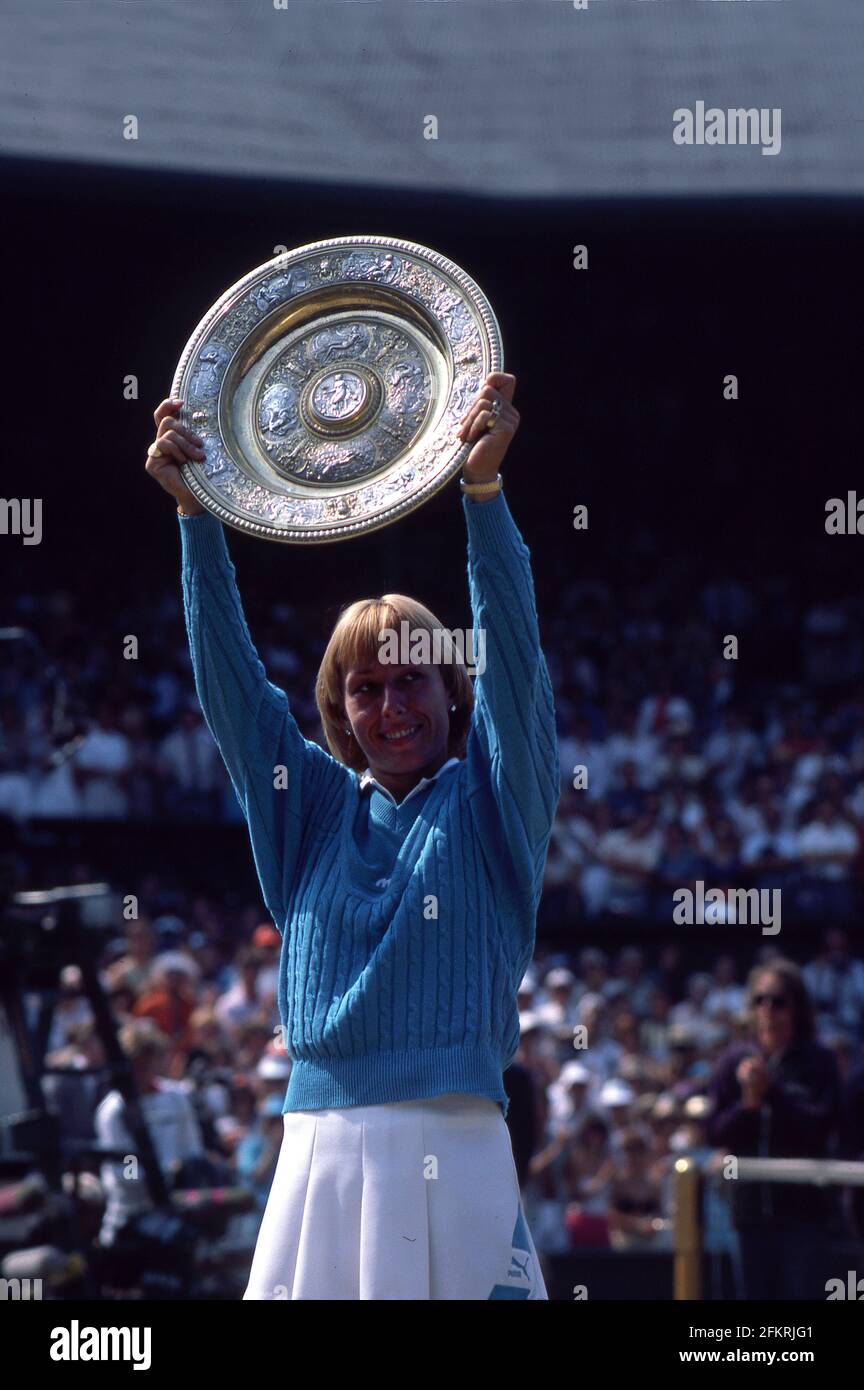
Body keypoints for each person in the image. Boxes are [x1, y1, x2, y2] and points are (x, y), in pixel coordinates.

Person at [145, 371, 559, 1300]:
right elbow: (233, 693)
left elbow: (516, 661)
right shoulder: (309, 808)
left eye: (412, 678)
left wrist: (483, 494)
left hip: (456, 1146)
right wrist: (196, 519)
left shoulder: (496, 802)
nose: (391, 705)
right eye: (364, 690)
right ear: (339, 712)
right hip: (318, 1152)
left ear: (452, 691)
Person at [707, 959, 842, 1300]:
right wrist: (748, 1106)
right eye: (760, 1000)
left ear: (796, 1007)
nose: (768, 1010)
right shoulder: (732, 1061)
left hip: (803, 1217)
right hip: (748, 1215)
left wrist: (772, 1093)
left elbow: (821, 1127)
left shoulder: (818, 1061)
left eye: (778, 1001)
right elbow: (716, 1132)